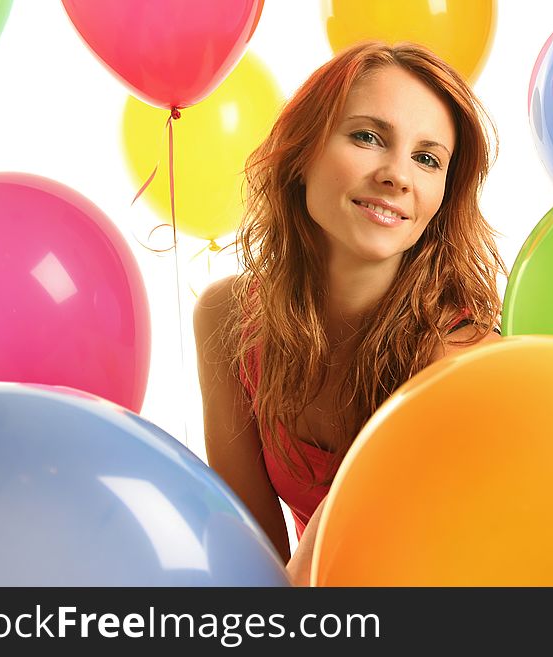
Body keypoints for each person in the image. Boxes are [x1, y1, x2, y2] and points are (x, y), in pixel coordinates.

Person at [194, 41, 506, 586]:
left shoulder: (458, 357)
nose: (397, 175)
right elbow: (248, 560)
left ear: (442, 197)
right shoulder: (228, 319)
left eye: (427, 159)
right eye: (367, 136)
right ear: (301, 153)